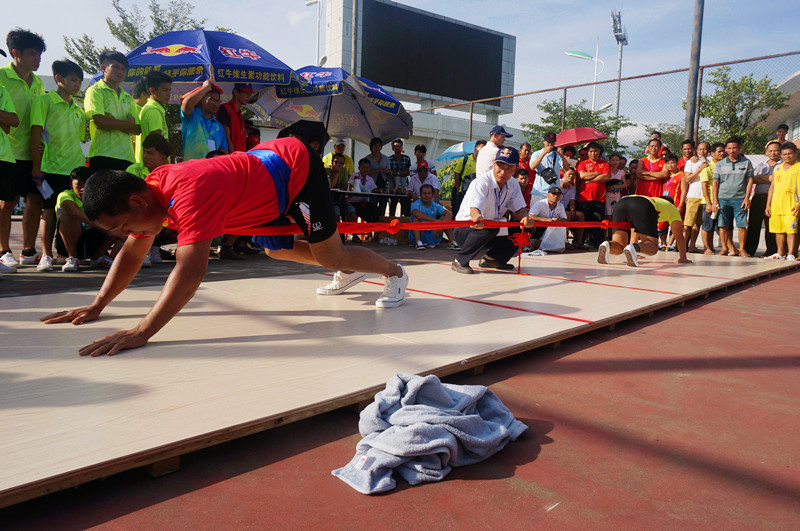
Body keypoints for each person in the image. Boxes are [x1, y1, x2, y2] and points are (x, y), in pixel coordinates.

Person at [40, 137, 409, 356]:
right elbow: (132, 253)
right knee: (275, 249)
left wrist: (141, 332)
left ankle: (393, 272)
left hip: (295, 170)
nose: (123, 235)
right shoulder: (152, 192)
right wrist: (97, 305)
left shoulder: (187, 196)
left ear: (136, 203)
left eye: (121, 226)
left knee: (333, 255)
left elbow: (191, 271)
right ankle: (351, 269)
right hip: (261, 184)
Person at [29, 59, 86, 271]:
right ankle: (46, 255)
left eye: (79, 80)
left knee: (72, 212)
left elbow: (77, 140)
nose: (77, 84)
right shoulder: (44, 102)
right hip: (51, 167)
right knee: (48, 211)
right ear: (58, 79)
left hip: (75, 170)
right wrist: (37, 166)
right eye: (73, 79)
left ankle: (68, 254)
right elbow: (35, 133)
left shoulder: (79, 110)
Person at [0, 29, 46, 268]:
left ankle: (28, 250)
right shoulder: (1, 77)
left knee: (36, 199)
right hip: (6, 151)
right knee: (7, 203)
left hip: (34, 152)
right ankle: (3, 250)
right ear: (15, 53)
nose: (37, 59)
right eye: (33, 54)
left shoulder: (38, 83)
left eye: (39, 54)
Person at [451, 146, 536, 274]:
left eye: (508, 168)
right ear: (494, 165)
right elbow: (474, 208)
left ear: (514, 170)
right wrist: (477, 216)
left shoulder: (513, 184)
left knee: (524, 229)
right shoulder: (481, 182)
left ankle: (493, 259)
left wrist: (525, 218)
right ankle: (460, 260)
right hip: (467, 228)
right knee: (491, 227)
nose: (502, 172)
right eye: (500, 166)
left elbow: (519, 209)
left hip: (492, 227)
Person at [55, 167, 126, 272]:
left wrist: (119, 233)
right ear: (71, 185)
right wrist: (107, 228)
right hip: (71, 240)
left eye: (86, 184)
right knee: (67, 215)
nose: (83, 188)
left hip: (93, 240)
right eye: (79, 184)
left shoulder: (99, 197)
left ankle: (98, 257)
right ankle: (73, 258)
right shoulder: (64, 195)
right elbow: (74, 212)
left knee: (118, 227)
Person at [84, 50, 140, 171]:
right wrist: (127, 124)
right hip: (102, 155)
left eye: (123, 69)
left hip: (127, 157)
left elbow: (137, 129)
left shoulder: (128, 98)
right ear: (103, 68)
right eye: (115, 67)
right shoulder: (95, 91)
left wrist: (111, 122)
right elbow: (100, 121)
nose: (120, 72)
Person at [597, 195, 691, 267]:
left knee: (620, 244)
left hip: (621, 203)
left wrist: (633, 251)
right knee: (653, 246)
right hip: (642, 204)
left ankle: (607, 245)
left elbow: (635, 230)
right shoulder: (672, 208)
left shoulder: (655, 201)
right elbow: (679, 236)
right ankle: (634, 248)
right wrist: (683, 258)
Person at [711, 137, 754, 256]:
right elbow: (715, 182)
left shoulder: (746, 163)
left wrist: (747, 198)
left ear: (739, 148)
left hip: (740, 199)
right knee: (723, 225)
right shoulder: (720, 164)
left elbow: (750, 181)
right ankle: (725, 248)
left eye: (734, 147)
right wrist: (715, 200)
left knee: (742, 225)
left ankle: (742, 249)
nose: (731, 150)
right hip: (723, 199)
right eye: (729, 148)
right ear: (726, 149)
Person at [745, 141, 781, 257]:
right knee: (753, 225)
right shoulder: (761, 164)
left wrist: (762, 178)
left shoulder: (782, 165)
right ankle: (749, 250)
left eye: (775, 150)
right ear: (766, 152)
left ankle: (771, 251)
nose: (773, 153)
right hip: (758, 197)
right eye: (770, 150)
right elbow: (753, 179)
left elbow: (777, 180)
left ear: (780, 151)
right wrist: (769, 178)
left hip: (773, 199)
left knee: (770, 226)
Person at [764, 143, 800, 260]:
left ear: (795, 154)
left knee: (791, 230)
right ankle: (780, 253)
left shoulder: (798, 167)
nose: (787, 156)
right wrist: (768, 205)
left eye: (790, 153)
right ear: (781, 155)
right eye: (784, 154)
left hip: (792, 205)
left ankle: (790, 253)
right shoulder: (777, 168)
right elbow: (772, 187)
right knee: (778, 230)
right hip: (777, 205)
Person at [0, 77, 20, 274]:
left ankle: (2, 252)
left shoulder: (1, 90)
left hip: (4, 156)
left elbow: (13, 121)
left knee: (5, 205)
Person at [180, 79, 227, 161]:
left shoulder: (219, 126)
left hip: (211, 169)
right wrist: (206, 87)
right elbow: (187, 102)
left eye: (218, 101)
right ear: (202, 99)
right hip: (191, 169)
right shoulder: (192, 116)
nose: (216, 104)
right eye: (212, 100)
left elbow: (224, 151)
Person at [576, 141, 610, 247]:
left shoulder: (605, 164)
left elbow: (606, 177)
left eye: (595, 151)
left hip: (599, 199)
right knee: (584, 222)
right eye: (591, 151)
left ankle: (597, 244)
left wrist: (589, 178)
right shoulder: (583, 163)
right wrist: (597, 174)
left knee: (598, 222)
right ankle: (580, 242)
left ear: (599, 152)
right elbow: (582, 176)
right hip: (584, 198)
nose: (593, 153)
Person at [134, 70, 171, 163]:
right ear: (152, 90)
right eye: (165, 90)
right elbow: (157, 144)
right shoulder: (153, 110)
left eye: (169, 90)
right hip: (154, 167)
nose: (168, 94)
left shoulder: (148, 107)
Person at [681, 141, 710, 253]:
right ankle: (682, 246)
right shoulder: (691, 162)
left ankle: (692, 245)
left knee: (697, 224)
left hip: (704, 197)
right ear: (696, 151)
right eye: (700, 149)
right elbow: (687, 179)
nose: (702, 152)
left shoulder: (710, 163)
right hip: (693, 195)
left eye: (705, 149)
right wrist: (699, 169)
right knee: (688, 224)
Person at [410, 184, 458, 250]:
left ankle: (452, 242)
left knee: (444, 218)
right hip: (421, 233)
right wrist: (434, 220)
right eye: (424, 193)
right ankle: (418, 242)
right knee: (416, 219)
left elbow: (449, 214)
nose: (426, 195)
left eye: (429, 193)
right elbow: (416, 213)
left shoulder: (436, 205)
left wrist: (441, 224)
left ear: (432, 195)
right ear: (420, 195)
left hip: (434, 235)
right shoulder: (415, 204)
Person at [699, 142, 726, 254]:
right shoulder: (707, 167)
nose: (722, 153)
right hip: (708, 201)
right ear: (712, 153)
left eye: (723, 151)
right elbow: (704, 186)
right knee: (707, 226)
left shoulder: (725, 166)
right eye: (719, 151)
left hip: (722, 201)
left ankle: (714, 247)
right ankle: (707, 248)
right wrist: (709, 203)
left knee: (721, 226)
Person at [529, 132, 569, 201]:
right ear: (544, 141)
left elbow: (566, 168)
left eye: (552, 142)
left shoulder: (557, 155)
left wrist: (562, 155)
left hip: (554, 192)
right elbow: (532, 167)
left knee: (553, 211)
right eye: (548, 142)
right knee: (536, 211)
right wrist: (544, 153)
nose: (550, 144)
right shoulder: (537, 153)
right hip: (540, 192)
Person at [528, 185, 569, 252]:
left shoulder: (560, 206)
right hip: (540, 226)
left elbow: (564, 219)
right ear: (547, 195)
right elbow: (530, 215)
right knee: (531, 224)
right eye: (554, 194)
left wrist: (557, 220)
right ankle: (531, 242)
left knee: (564, 226)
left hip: (551, 227)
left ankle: (564, 243)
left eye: (558, 195)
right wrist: (545, 220)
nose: (556, 196)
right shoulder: (540, 203)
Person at [217, 83, 253, 153]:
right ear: (235, 92)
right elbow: (226, 138)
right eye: (245, 93)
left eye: (250, 94)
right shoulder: (225, 109)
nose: (248, 96)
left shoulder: (239, 113)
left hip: (239, 155)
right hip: (230, 156)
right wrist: (233, 156)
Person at [452, 140, 485, 213]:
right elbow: (457, 173)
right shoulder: (464, 159)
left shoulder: (484, 163)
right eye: (480, 150)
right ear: (475, 149)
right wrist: (458, 189)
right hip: (463, 192)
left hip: (477, 193)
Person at [559, 169, 585, 249]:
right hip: (558, 208)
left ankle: (579, 242)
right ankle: (565, 242)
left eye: (573, 174)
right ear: (564, 174)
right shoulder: (558, 182)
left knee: (580, 215)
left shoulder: (572, 187)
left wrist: (572, 209)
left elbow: (572, 201)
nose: (571, 176)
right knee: (566, 215)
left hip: (567, 209)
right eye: (569, 174)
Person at [387, 138, 411, 215]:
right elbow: (389, 172)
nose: (398, 148)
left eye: (400, 146)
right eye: (396, 146)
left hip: (404, 185)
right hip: (393, 185)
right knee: (393, 206)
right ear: (392, 148)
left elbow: (407, 172)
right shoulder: (389, 159)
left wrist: (396, 173)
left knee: (405, 206)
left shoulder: (406, 158)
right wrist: (400, 173)